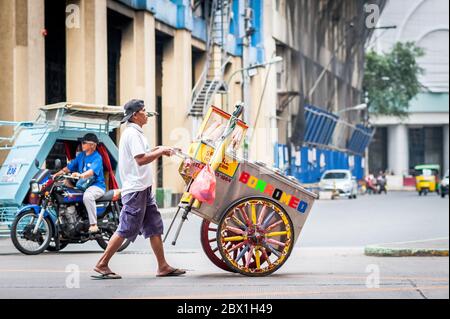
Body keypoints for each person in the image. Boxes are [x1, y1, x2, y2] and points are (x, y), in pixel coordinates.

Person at [93, 99, 186, 279]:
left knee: (154, 226)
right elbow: (141, 159)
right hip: (135, 190)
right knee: (126, 228)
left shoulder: (136, 133)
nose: (146, 113)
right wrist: (160, 152)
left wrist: (161, 149)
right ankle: (101, 264)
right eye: (143, 111)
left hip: (143, 188)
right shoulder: (132, 134)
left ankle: (163, 266)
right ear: (135, 115)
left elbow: (144, 153)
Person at [54, 133, 105, 234]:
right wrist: (55, 175)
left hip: (96, 186)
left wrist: (80, 175)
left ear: (92, 145)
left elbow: (91, 172)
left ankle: (93, 224)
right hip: (82, 185)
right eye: (82, 142)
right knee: (62, 188)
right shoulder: (81, 156)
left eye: (84, 142)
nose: (82, 144)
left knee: (88, 196)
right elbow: (68, 168)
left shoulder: (97, 158)